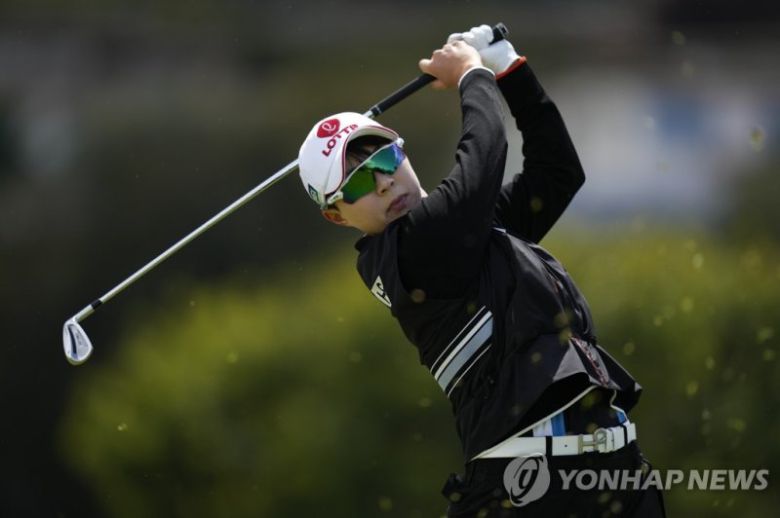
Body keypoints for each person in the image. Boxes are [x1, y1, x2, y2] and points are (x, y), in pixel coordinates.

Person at [297, 25, 666, 517]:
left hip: (607, 477)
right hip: (533, 490)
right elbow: (484, 158)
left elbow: (557, 172)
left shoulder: (470, 232)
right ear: (336, 215)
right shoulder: (413, 249)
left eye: (386, 157)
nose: (385, 183)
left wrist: (510, 70)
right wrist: (472, 75)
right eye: (360, 180)